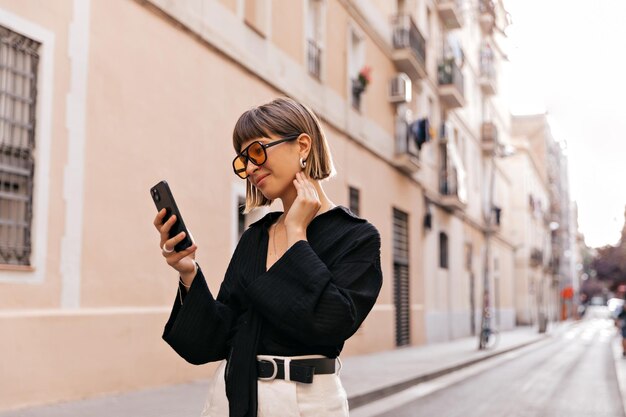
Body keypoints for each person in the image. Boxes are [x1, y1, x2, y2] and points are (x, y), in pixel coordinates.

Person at [153, 97, 383, 417]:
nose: (249, 168)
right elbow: (216, 338)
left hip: (308, 403)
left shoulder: (356, 236)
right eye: (242, 161)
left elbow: (333, 322)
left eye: (257, 152)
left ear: (302, 146)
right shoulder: (255, 237)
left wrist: (296, 234)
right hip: (233, 396)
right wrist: (188, 273)